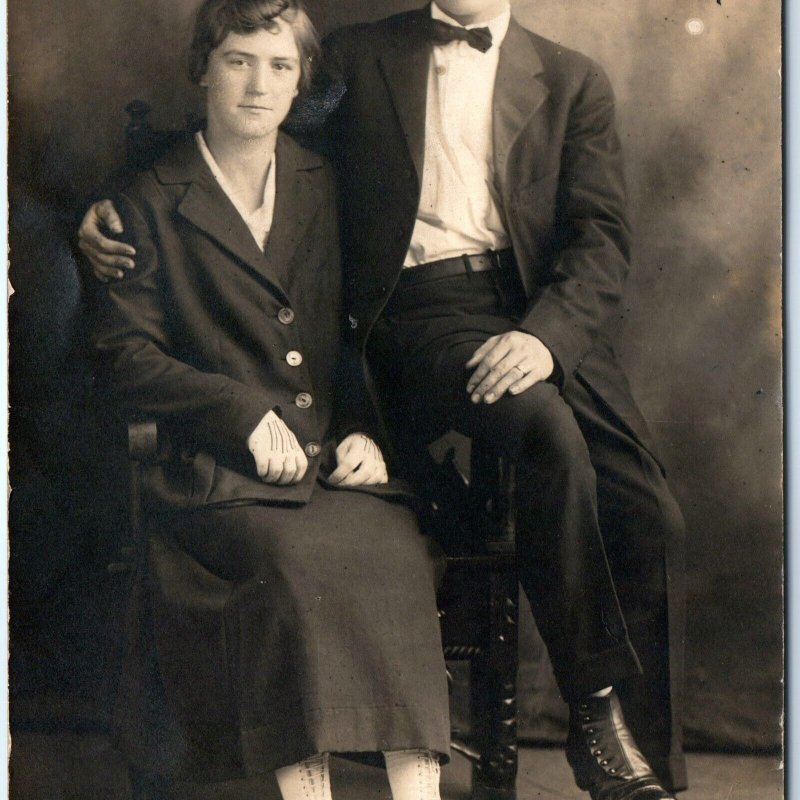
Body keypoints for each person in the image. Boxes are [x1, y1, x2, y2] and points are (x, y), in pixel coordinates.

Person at [82, 1, 687, 798]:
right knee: (545, 435)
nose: (261, 79)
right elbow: (251, 113)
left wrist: (546, 338)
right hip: (426, 311)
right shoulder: (360, 59)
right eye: (238, 64)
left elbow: (601, 238)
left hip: (544, 315)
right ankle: (595, 715)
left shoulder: (573, 79)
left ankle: (647, 757)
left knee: (652, 516)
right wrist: (107, 205)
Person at [92, 2, 452, 798]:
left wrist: (363, 429)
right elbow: (125, 356)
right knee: (294, 565)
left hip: (323, 459)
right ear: (203, 70)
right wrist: (237, 411)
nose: (259, 84)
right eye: (238, 61)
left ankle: (417, 793)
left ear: (302, 83)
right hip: (211, 473)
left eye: (280, 65)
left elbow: (359, 330)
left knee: (393, 549)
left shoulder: (327, 184)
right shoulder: (146, 199)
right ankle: (309, 792)